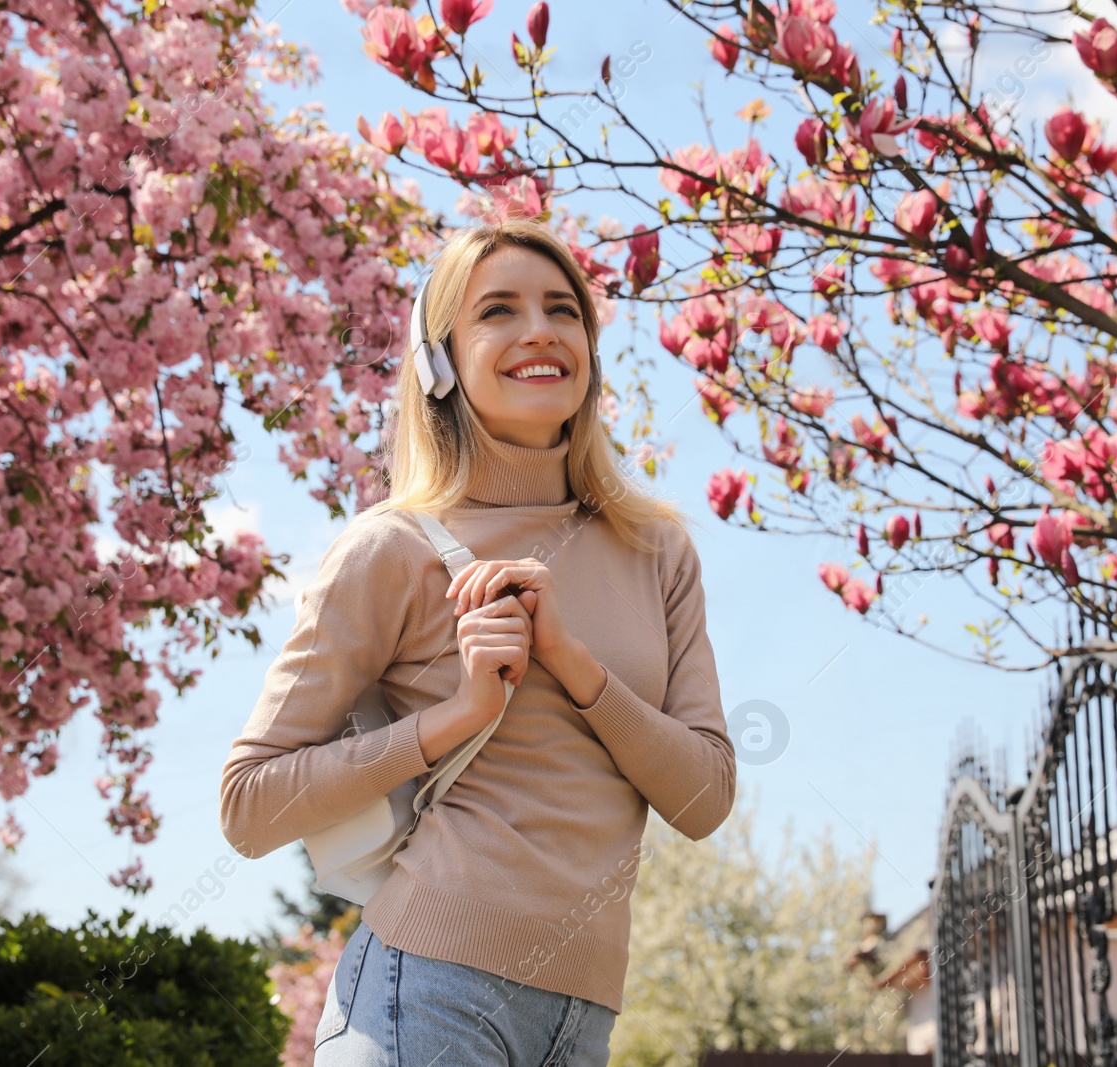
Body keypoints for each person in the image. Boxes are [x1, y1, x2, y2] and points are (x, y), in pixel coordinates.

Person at [219, 217, 735, 1066]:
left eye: (562, 310)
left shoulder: (657, 550)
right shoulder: (392, 548)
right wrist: (456, 715)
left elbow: (703, 800)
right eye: (497, 310)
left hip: (584, 1016)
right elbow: (247, 805)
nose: (539, 329)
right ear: (440, 359)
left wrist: (572, 664)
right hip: (425, 992)